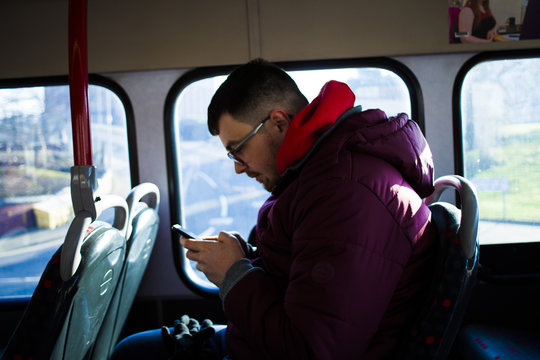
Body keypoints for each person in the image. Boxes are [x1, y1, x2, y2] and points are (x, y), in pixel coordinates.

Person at [112, 59, 437, 359]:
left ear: (278, 123)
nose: (238, 168)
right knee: (135, 349)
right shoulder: (319, 176)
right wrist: (248, 257)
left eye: (237, 150)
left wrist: (234, 275)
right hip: (258, 341)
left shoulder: (346, 193)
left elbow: (311, 350)